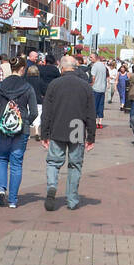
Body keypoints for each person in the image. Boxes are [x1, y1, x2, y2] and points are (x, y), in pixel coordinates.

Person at [41, 54, 96, 211]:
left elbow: (47, 111)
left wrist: (44, 134)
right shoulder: (85, 85)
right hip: (77, 126)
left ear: (62, 68)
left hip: (57, 126)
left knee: (53, 162)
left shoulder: (54, 84)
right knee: (75, 165)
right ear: (75, 67)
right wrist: (91, 136)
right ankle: (72, 199)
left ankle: (52, 186)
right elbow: (91, 113)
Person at [0, 55, 39, 208]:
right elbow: (34, 112)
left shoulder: (1, 86)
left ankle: (1, 190)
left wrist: (1, 120)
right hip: (21, 130)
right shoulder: (28, 87)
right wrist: (25, 122)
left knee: (1, 159)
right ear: (23, 69)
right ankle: (12, 200)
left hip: (3, 130)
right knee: (16, 164)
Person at [90, 53, 108, 128]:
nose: (90, 59)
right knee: (101, 105)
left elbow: (93, 77)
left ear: (95, 58)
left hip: (95, 88)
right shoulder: (103, 66)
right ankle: (100, 122)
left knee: (94, 106)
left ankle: (93, 122)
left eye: (91, 57)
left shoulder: (95, 66)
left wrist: (91, 84)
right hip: (102, 88)